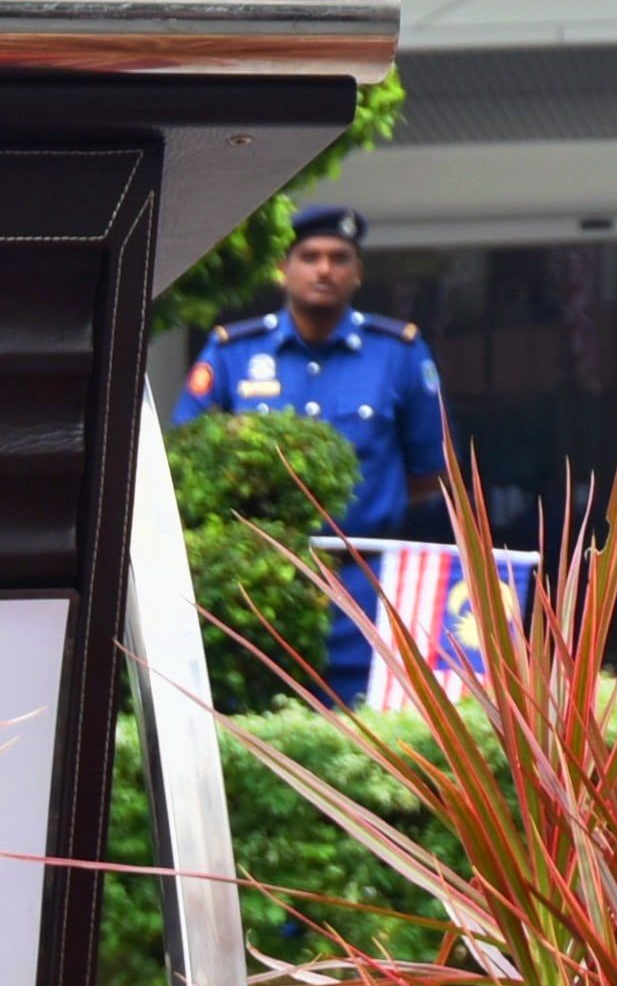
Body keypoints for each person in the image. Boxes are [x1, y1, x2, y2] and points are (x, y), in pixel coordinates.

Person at [174, 202, 453, 702]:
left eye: (339, 258)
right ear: (283, 268)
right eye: (310, 257)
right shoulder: (233, 352)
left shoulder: (399, 353)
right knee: (256, 721)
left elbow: (428, 474)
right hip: (255, 586)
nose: (325, 269)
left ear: (357, 273)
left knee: (365, 727)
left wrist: (362, 517)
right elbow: (186, 466)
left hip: (367, 586)